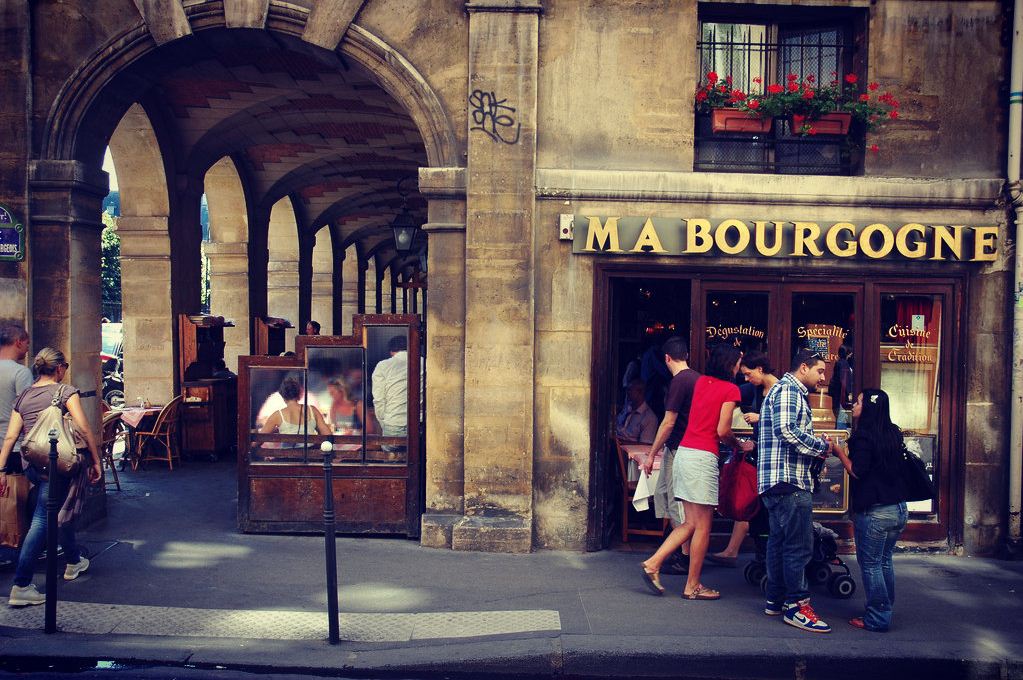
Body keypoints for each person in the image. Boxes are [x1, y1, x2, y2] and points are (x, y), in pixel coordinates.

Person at [640, 343, 751, 600]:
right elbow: (723, 430)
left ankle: (653, 563)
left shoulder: (701, 383)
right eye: (738, 362)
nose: (739, 367)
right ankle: (692, 585)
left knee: (691, 523)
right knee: (702, 526)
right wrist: (739, 445)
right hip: (702, 458)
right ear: (729, 363)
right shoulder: (730, 389)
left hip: (685, 453)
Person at [0, 348, 102, 606]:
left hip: (33, 463)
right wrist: (95, 459)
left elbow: (12, 436)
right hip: (59, 463)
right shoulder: (65, 392)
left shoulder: (24, 396)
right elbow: (83, 427)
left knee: (56, 508)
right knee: (42, 519)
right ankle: (21, 584)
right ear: (58, 369)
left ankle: (73, 561)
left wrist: (0, 469)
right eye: (64, 366)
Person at [757, 348, 836, 633]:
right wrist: (821, 447)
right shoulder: (790, 390)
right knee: (799, 546)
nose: (823, 377)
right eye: (820, 371)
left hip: (776, 482)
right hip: (789, 482)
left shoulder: (782, 390)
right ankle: (797, 606)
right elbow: (787, 430)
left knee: (778, 543)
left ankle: (775, 600)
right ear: (803, 367)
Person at [833, 389, 908, 632]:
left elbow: (857, 471)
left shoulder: (864, 437)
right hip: (897, 508)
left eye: (858, 401)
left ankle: (877, 617)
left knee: (871, 564)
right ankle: (885, 607)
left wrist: (839, 452)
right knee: (884, 561)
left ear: (868, 408)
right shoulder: (892, 433)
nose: (854, 405)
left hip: (876, 512)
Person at [707, 350, 779, 567]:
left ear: (760, 369)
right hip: (759, 453)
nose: (747, 378)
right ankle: (744, 552)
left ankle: (748, 554)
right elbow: (732, 394)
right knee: (747, 498)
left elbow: (789, 424)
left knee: (764, 508)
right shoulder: (755, 389)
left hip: (775, 459)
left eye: (748, 374)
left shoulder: (782, 389)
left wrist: (762, 417)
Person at [641, 336, 699, 573]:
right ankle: (680, 551)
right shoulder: (697, 379)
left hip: (679, 449)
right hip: (684, 447)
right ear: (686, 354)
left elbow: (668, 422)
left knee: (676, 502)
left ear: (666, 358)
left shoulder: (679, 381)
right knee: (668, 496)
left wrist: (651, 454)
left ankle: (684, 556)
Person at [259, 376, 332, 447]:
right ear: (299, 394)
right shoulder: (313, 410)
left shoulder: (277, 415)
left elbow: (259, 440)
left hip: (286, 458)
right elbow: (328, 436)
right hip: (309, 457)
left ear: (282, 395)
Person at [0, 324, 32, 470]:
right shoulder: (21, 373)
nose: (27, 348)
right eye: (27, 343)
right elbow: (27, 412)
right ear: (18, 342)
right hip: (14, 448)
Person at [371, 335, 408, 440]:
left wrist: (386, 424)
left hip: (394, 424)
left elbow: (379, 400)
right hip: (419, 424)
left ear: (391, 351)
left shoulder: (383, 366)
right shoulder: (424, 363)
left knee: (390, 453)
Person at [616, 379, 658, 445]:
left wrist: (619, 442)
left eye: (630, 390)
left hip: (627, 452)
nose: (627, 394)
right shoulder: (627, 408)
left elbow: (644, 446)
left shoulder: (650, 418)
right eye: (627, 390)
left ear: (640, 393)